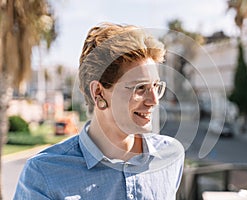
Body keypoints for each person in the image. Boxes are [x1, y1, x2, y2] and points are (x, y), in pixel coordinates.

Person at [14, 22, 184, 200]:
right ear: (98, 93)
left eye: (156, 86)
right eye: (140, 88)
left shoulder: (171, 156)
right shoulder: (43, 173)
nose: (154, 101)